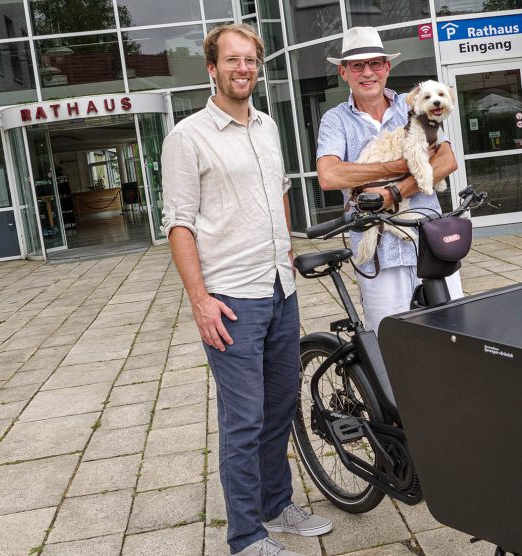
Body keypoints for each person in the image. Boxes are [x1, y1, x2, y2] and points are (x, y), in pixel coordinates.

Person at [161, 23, 332, 556]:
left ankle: (276, 507)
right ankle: (245, 537)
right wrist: (199, 300)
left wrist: (284, 253)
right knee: (244, 421)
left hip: (279, 289)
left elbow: (279, 193)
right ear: (212, 68)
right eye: (232, 60)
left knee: (280, 408)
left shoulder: (267, 126)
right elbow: (179, 224)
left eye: (250, 61)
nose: (243, 69)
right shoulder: (187, 137)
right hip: (231, 300)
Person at [316, 27, 462, 334]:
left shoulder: (413, 104)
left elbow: (446, 160)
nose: (367, 73)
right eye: (357, 65)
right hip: (379, 252)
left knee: (454, 336)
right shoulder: (336, 119)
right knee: (392, 343)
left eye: (375, 64)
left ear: (387, 68)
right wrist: (398, 165)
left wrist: (395, 191)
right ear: (344, 72)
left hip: (431, 243)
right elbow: (329, 174)